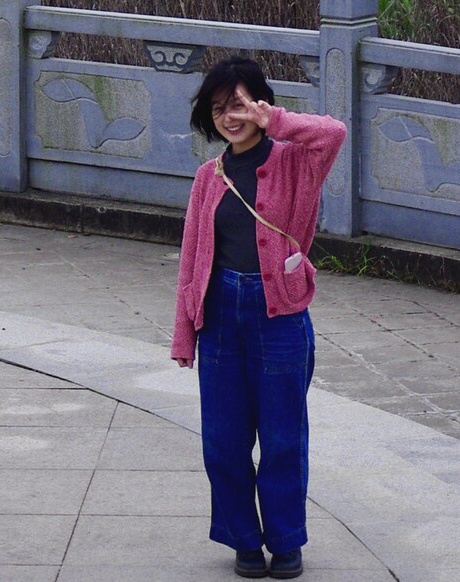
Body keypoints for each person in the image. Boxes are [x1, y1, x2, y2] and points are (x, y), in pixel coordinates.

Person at [171, 57, 346, 580]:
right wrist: (184, 334)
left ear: (260, 103)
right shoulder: (208, 178)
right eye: (219, 108)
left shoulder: (297, 161)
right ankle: (244, 540)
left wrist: (275, 119)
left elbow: (334, 133)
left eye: (240, 105)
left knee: (283, 437)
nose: (230, 116)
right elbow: (192, 258)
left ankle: (286, 541)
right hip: (220, 315)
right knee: (223, 440)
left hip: (280, 316)